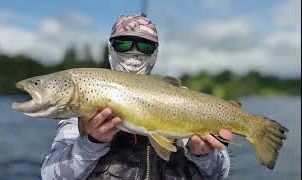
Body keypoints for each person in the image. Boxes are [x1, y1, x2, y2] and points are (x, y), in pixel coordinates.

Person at [41, 14, 234, 180]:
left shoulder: (180, 102)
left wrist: (204, 155)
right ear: (111, 49)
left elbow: (220, 173)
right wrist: (91, 142)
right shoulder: (83, 105)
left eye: (145, 46)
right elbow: (50, 175)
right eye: (123, 43)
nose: (134, 52)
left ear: (155, 53)